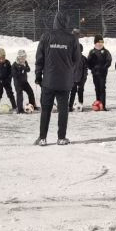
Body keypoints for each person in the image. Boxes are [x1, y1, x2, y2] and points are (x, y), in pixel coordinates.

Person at [35, 12, 79, 146]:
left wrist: (38, 75)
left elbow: (39, 58)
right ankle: (61, 138)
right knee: (63, 110)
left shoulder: (46, 36)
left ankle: (42, 138)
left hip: (48, 80)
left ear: (55, 21)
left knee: (46, 109)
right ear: (66, 22)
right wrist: (69, 71)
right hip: (65, 82)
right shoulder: (72, 39)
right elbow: (76, 59)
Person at [87, 35, 111, 110]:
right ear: (95, 43)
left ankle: (103, 105)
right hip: (95, 74)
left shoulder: (106, 52)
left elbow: (109, 60)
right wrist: (91, 67)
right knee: (97, 88)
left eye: (101, 42)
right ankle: (98, 103)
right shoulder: (92, 51)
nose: (99, 44)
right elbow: (88, 63)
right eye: (98, 42)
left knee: (102, 88)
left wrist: (104, 67)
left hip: (102, 74)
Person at [69, 43, 88, 111]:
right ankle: (70, 106)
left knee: (80, 92)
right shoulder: (71, 58)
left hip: (81, 79)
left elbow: (85, 70)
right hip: (72, 79)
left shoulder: (84, 59)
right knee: (72, 93)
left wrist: (84, 79)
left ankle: (80, 105)